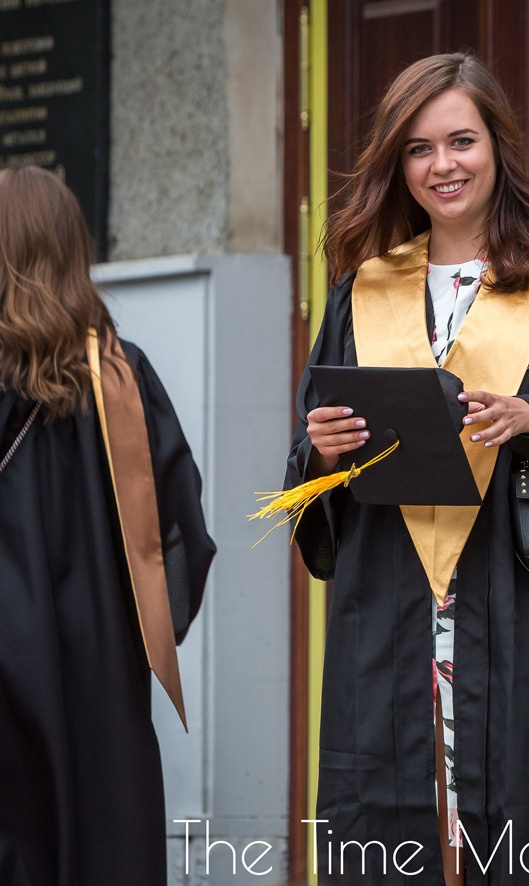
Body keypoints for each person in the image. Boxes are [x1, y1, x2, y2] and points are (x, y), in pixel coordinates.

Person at [285, 53, 529, 885]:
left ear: (498, 144)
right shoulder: (363, 291)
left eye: (461, 140)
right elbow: (312, 481)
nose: (442, 165)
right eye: (419, 149)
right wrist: (321, 447)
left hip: (528, 612)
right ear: (399, 162)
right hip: (396, 613)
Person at [0, 165, 215, 886]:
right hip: (101, 678)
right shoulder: (124, 377)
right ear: (73, 249)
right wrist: (145, 627)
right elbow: (184, 529)